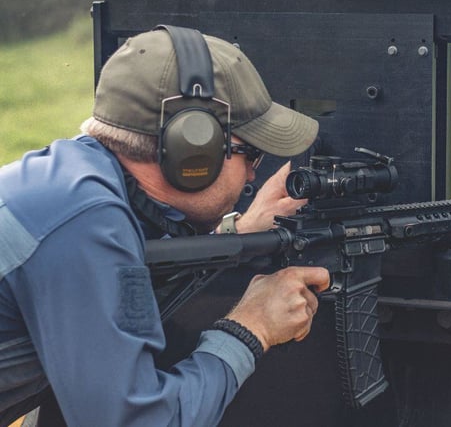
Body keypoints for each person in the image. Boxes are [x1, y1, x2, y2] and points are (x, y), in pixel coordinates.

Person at [0, 26, 330, 425]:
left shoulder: (76, 184)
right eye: (252, 155)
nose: (251, 179)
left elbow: (117, 288)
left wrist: (236, 237)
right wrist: (251, 328)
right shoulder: (78, 225)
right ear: (193, 151)